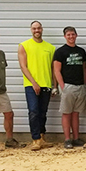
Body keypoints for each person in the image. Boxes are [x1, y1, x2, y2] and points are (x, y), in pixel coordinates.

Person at [18, 20, 56, 151]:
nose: (37, 31)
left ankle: (42, 137)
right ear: (31, 30)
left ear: (42, 29)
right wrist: (34, 83)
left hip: (46, 84)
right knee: (33, 111)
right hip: (31, 85)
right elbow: (23, 66)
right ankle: (35, 139)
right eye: (34, 28)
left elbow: (53, 69)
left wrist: (54, 86)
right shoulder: (24, 46)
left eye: (38, 28)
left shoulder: (50, 48)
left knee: (42, 113)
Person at [53, 26, 86, 149]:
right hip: (68, 86)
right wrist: (62, 86)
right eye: (68, 35)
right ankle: (67, 139)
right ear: (64, 36)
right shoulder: (60, 52)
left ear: (76, 35)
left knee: (76, 113)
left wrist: (85, 84)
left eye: (73, 34)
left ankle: (76, 138)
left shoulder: (81, 51)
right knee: (66, 113)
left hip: (80, 86)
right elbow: (56, 70)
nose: (71, 37)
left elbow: (84, 69)